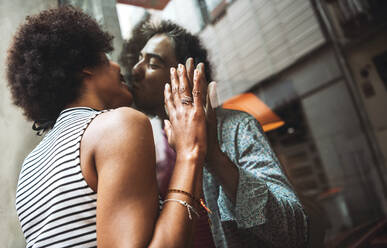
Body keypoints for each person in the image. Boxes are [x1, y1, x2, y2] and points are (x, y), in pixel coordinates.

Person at [8, 7, 209, 247]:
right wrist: (189, 152)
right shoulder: (118, 126)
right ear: (86, 67)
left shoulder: (30, 166)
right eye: (106, 57)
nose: (120, 68)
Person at [120, 20, 309, 247]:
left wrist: (215, 158)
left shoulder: (236, 128)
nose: (135, 70)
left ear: (189, 77)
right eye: (140, 59)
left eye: (152, 64)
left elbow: (294, 231)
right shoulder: (146, 145)